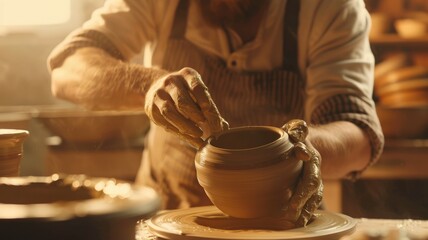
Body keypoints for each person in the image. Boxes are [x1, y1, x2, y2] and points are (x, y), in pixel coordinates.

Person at [47, 0, 384, 227]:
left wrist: (295, 151)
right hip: (167, 216)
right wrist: (148, 84)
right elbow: (67, 68)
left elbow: (357, 131)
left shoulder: (330, 7)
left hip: (285, 223)